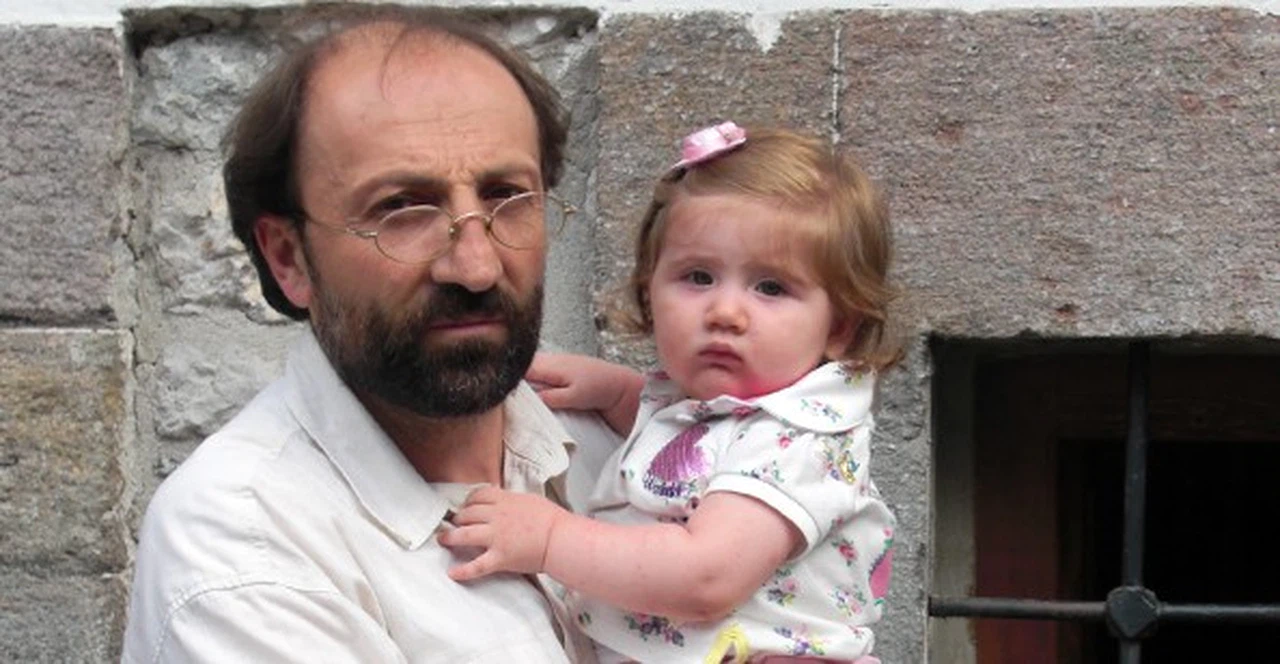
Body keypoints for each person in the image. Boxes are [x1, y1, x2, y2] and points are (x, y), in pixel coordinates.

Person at [122, 7, 615, 662]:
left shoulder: (614, 435)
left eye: (506, 195)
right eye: (402, 208)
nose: (476, 266)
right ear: (289, 258)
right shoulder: (243, 550)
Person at [439, 122, 901, 663]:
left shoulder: (799, 443)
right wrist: (619, 393)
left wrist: (548, 539)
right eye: (699, 277)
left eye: (771, 287)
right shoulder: (719, 412)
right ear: (648, 290)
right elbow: (696, 453)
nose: (725, 312)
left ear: (839, 326)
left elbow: (704, 577)